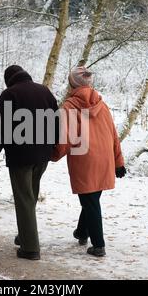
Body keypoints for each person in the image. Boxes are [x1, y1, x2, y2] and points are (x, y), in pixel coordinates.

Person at [51, 66, 126, 257]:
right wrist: (118, 161)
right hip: (105, 157)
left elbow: (64, 139)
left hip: (84, 159)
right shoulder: (102, 104)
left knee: (90, 201)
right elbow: (113, 135)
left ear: (72, 84)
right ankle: (82, 232)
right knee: (92, 198)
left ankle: (98, 245)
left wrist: (52, 155)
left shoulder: (69, 106)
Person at [0, 65, 59, 260]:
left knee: (24, 199)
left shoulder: (9, 95)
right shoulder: (44, 91)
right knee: (31, 196)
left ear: (9, 79)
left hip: (21, 156)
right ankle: (25, 234)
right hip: (42, 155)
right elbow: (56, 122)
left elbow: (1, 129)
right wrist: (52, 147)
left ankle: (31, 249)